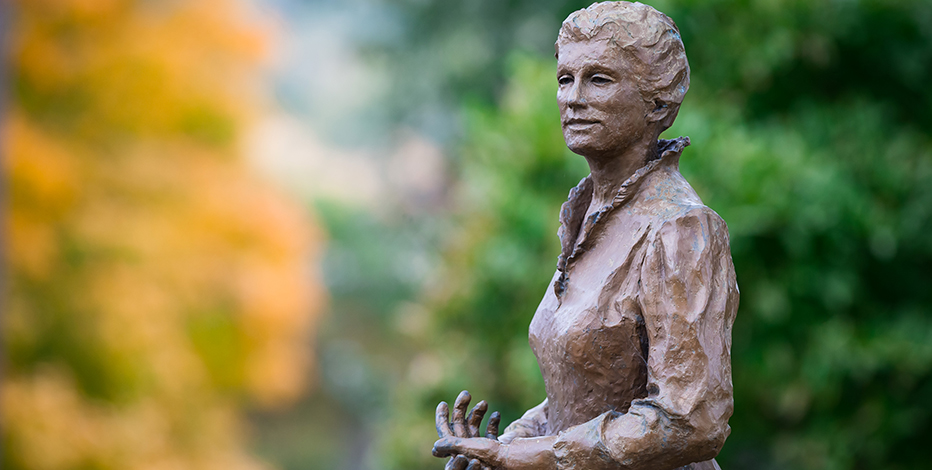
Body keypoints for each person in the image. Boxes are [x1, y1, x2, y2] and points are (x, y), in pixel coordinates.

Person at [432, 2, 739, 470]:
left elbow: (691, 420)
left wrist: (529, 457)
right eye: (564, 79)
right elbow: (589, 400)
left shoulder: (680, 228)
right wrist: (505, 447)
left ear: (657, 100)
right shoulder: (585, 215)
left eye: (599, 79)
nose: (573, 97)